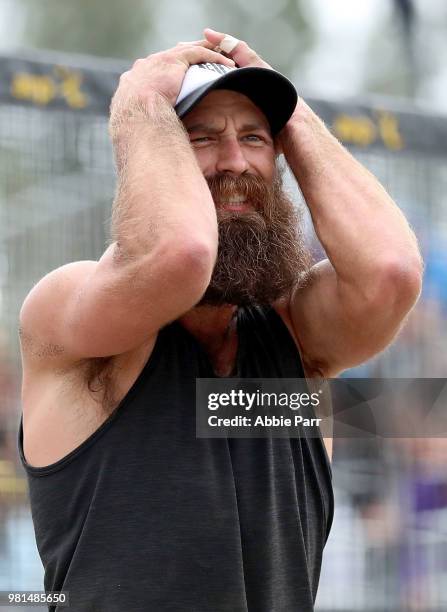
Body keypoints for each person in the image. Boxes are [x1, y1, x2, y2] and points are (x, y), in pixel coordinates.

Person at [17, 28, 423, 612]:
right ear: (157, 157)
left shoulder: (296, 338)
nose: (234, 161)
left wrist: (296, 118)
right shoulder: (71, 317)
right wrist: (138, 104)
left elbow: (390, 271)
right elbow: (179, 256)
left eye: (256, 138)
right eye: (201, 137)